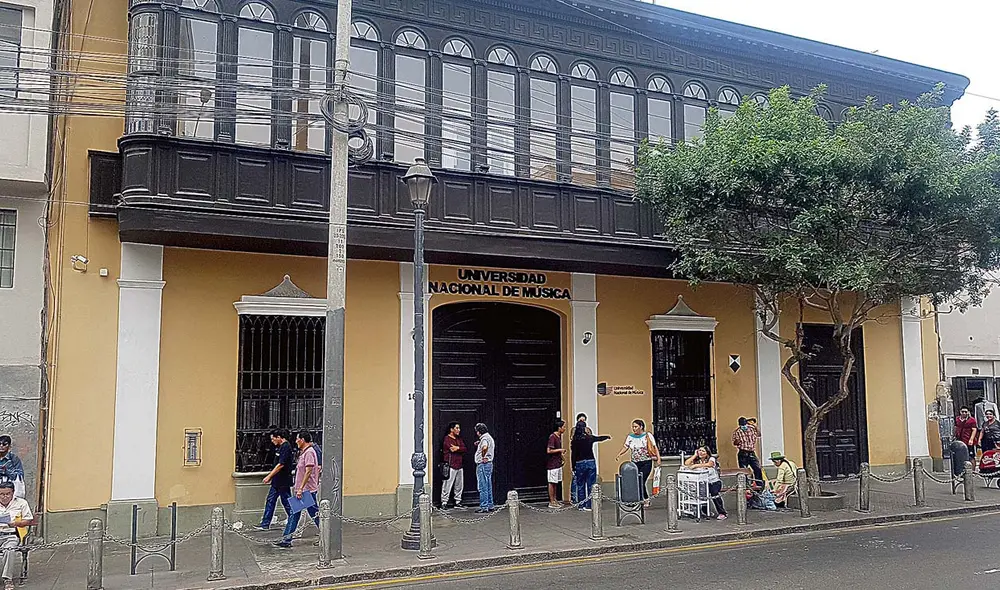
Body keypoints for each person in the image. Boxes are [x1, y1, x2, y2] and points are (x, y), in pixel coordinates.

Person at [275, 431, 321, 548]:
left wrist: (300, 489)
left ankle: (327, 535)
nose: (296, 441)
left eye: (297, 439)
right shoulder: (305, 452)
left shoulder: (309, 452)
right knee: (296, 513)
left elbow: (308, 471)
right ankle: (286, 539)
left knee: (314, 514)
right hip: (303, 490)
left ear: (302, 440)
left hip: (306, 490)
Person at [615, 419, 660, 506]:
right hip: (635, 463)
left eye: (636, 427)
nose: (634, 428)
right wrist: (619, 454)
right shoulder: (630, 437)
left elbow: (655, 447)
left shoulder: (648, 435)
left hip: (646, 462)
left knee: (641, 480)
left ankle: (645, 499)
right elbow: (626, 447)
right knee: (636, 481)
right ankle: (638, 499)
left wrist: (658, 459)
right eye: (633, 427)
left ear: (641, 427)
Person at [256, 428, 293, 531]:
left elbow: (281, 464)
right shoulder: (280, 447)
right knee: (271, 500)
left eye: (273, 439)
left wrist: (269, 476)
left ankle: (293, 520)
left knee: (287, 502)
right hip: (277, 480)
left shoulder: (286, 447)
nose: (272, 441)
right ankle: (265, 523)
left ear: (279, 437)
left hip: (283, 480)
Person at [571, 418, 611, 511]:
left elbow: (573, 455)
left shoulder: (575, 440)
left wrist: (573, 466)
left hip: (579, 463)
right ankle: (589, 505)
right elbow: (599, 438)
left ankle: (581, 505)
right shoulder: (589, 438)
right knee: (591, 484)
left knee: (580, 484)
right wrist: (607, 437)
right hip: (590, 462)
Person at [0, 480, 31, 590]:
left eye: (7, 494)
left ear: (13, 493)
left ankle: (7, 579)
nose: (4, 497)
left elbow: (28, 520)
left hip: (11, 534)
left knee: (9, 549)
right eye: (1, 494)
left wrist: (16, 523)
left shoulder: (21, 503)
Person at [684, 447, 727, 520]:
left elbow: (710, 464)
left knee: (714, 494)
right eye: (699, 450)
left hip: (714, 482)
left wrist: (696, 465)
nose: (701, 452)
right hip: (703, 483)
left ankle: (722, 512)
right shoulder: (697, 460)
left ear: (707, 453)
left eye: (703, 451)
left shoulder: (711, 459)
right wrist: (695, 455)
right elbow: (687, 463)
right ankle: (706, 512)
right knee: (702, 495)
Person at [441, 422, 467, 509]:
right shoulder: (447, 439)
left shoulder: (459, 439)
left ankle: (458, 501)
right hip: (450, 465)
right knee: (447, 484)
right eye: (457, 428)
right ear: (451, 429)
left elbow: (464, 448)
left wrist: (458, 448)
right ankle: (444, 502)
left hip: (459, 464)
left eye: (459, 428)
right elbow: (452, 449)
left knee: (459, 485)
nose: (459, 430)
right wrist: (459, 448)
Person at [732, 417, 764, 485]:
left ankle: (759, 484)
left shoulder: (751, 429)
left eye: (744, 424)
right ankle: (747, 485)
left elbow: (759, 434)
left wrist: (755, 426)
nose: (744, 426)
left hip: (751, 452)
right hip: (743, 452)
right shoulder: (737, 432)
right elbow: (734, 443)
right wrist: (737, 441)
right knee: (744, 470)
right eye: (742, 425)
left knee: (757, 468)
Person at [474, 423, 496, 513]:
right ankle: (490, 505)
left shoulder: (484, 439)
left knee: (483, 486)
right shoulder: (489, 437)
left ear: (479, 432)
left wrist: (483, 456)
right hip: (489, 464)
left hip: (483, 464)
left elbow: (485, 447)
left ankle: (484, 506)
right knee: (488, 485)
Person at [546, 420, 568, 508]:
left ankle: (555, 500)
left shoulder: (559, 437)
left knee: (555, 482)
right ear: (559, 428)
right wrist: (560, 450)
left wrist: (562, 458)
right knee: (552, 482)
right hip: (552, 464)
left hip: (557, 462)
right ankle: (551, 501)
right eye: (563, 427)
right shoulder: (553, 437)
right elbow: (549, 450)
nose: (565, 429)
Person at [570, 413, 587, 504]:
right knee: (575, 478)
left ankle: (584, 498)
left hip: (585, 456)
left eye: (583, 420)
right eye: (581, 420)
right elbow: (572, 438)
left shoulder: (587, 429)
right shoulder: (574, 430)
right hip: (577, 456)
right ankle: (574, 498)